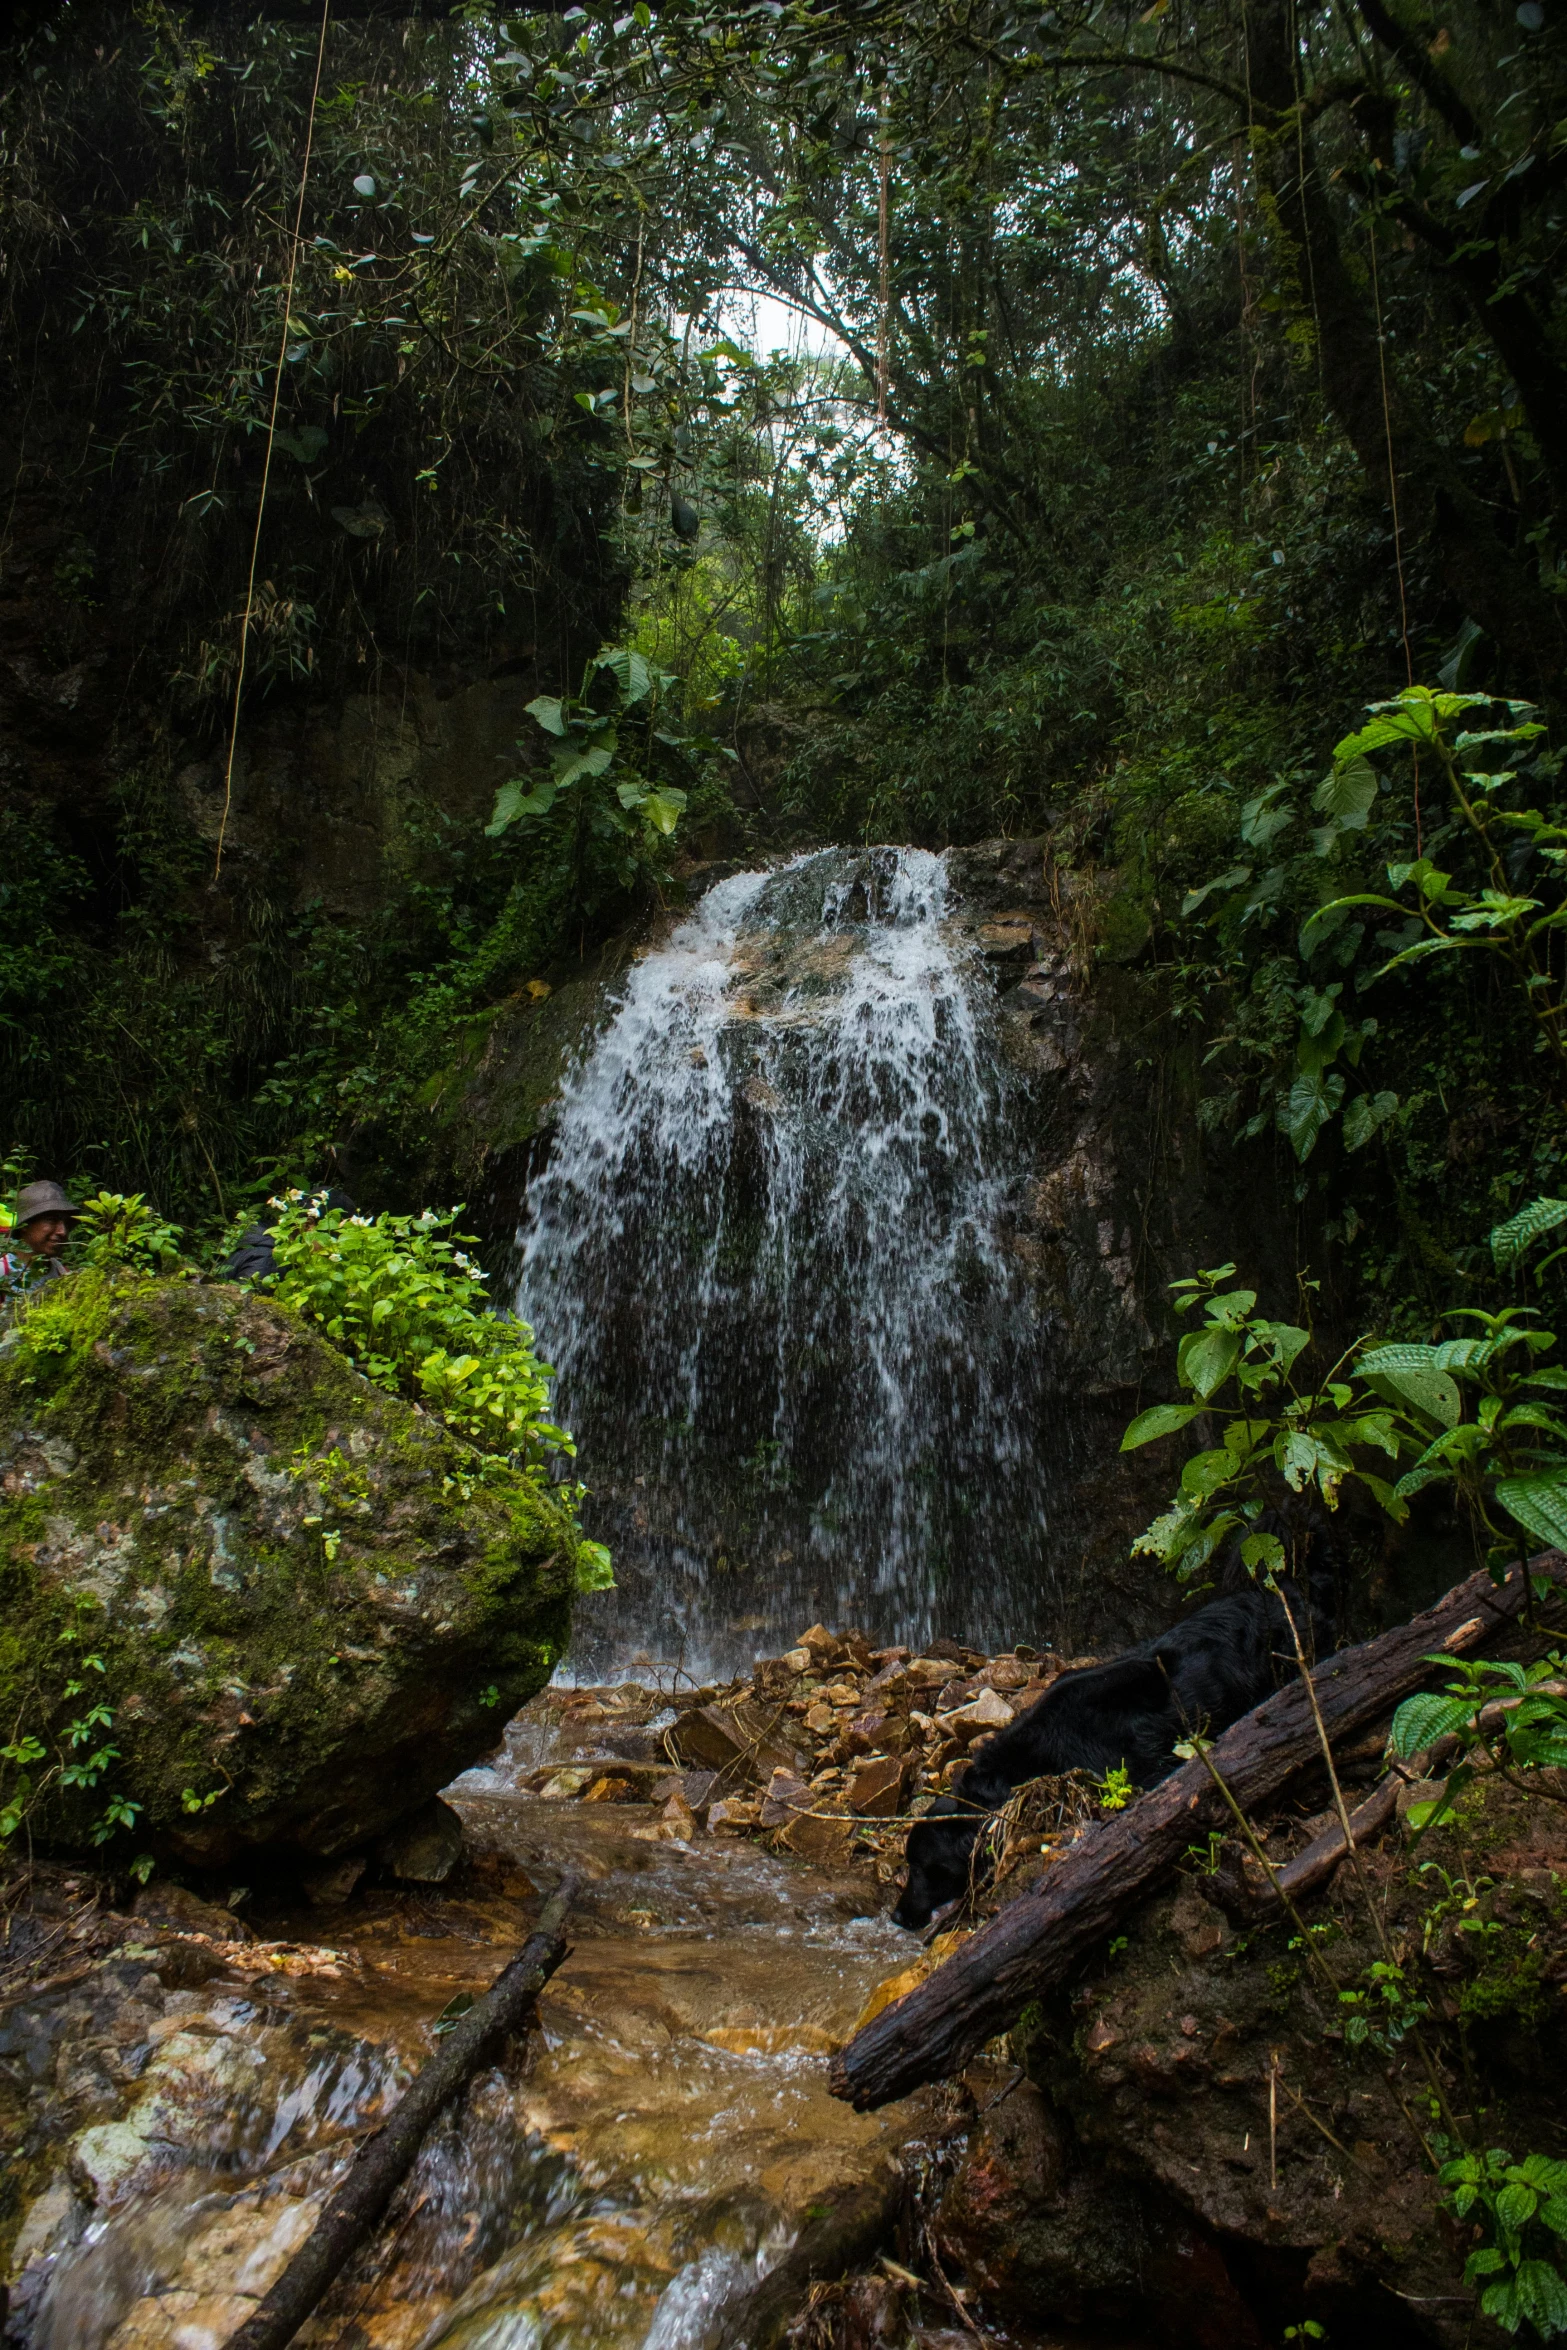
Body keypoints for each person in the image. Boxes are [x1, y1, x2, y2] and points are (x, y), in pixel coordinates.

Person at [223, 1185, 357, 1286]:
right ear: (308, 1225)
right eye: (331, 1238)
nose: (333, 1248)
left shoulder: (258, 1236)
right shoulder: (270, 1261)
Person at [0, 1180, 80, 1304]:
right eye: (51, 1220)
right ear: (25, 1225)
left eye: (65, 1223)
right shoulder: (3, 1271)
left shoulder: (64, 1274)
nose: (62, 1231)